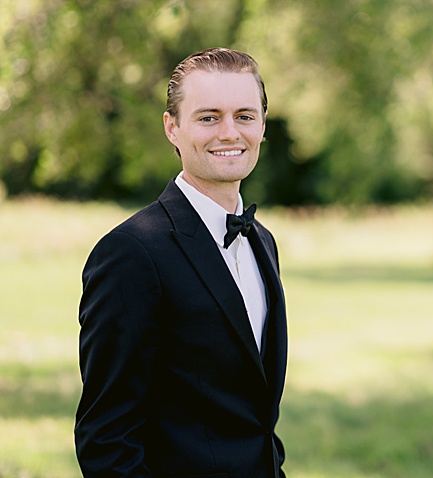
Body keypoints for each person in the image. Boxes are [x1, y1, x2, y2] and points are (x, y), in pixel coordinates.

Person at [75, 48, 288, 476]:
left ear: (262, 127)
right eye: (209, 117)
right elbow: (106, 438)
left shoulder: (262, 240)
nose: (230, 132)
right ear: (172, 128)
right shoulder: (132, 253)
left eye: (244, 116)